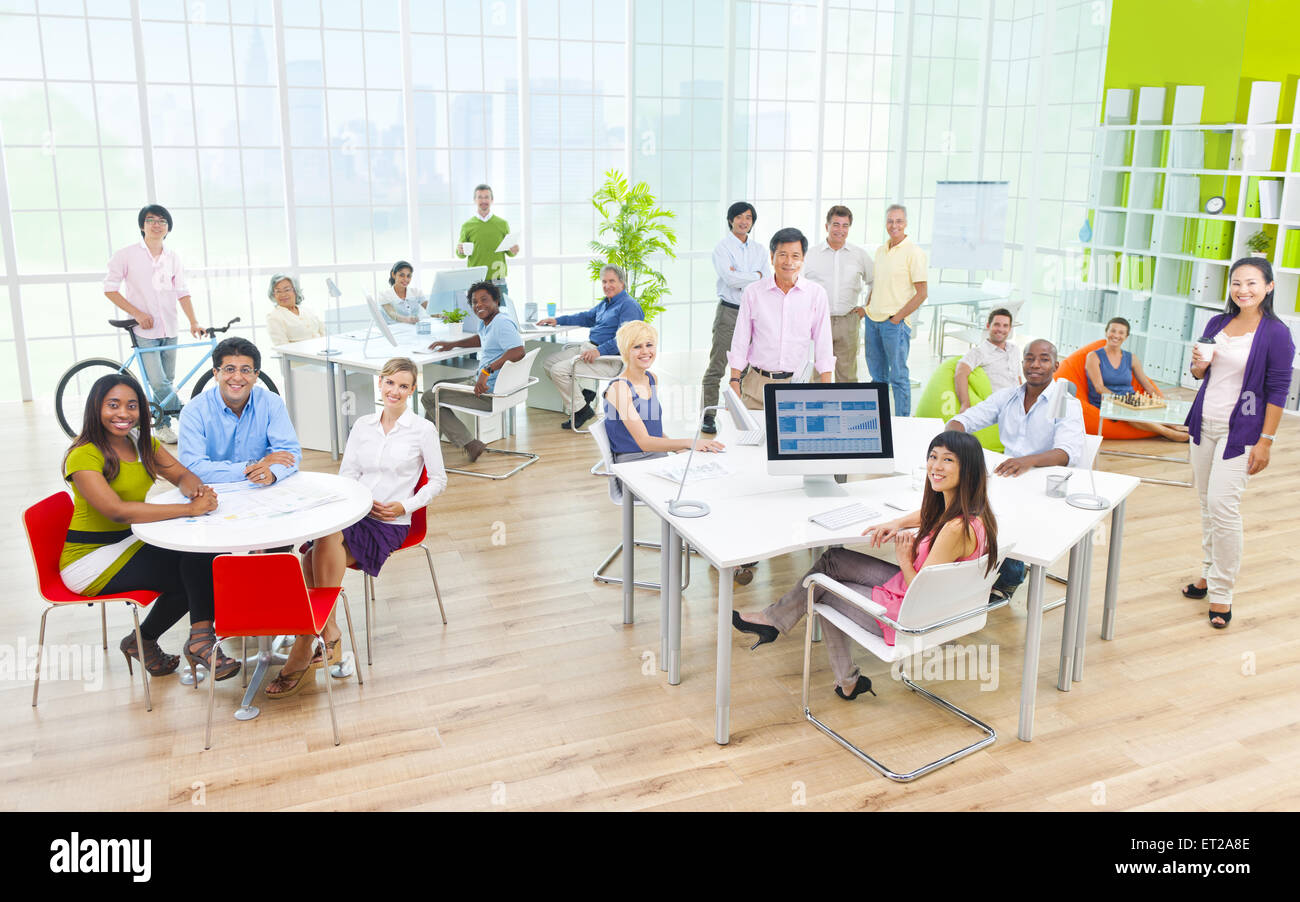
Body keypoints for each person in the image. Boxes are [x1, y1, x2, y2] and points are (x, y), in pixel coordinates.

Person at [732, 431, 997, 700]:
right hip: (911, 596)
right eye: (932, 457)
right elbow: (929, 515)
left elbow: (921, 591)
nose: (935, 466)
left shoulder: (955, 529)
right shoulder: (968, 513)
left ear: (968, 469)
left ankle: (840, 674)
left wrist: (904, 558)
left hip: (908, 616)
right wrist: (897, 523)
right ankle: (777, 624)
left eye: (948, 460)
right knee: (833, 560)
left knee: (822, 589)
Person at [268, 358, 448, 697]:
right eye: (390, 383)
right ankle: (327, 631)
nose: (395, 391)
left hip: (390, 521)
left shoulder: (422, 430)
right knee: (319, 544)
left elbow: (438, 481)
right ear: (380, 383)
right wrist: (344, 506)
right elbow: (348, 475)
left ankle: (313, 637)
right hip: (355, 512)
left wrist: (403, 506)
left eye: (404, 386)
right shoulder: (363, 425)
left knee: (318, 549)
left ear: (412, 390)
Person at [60, 373, 240, 681]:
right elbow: (116, 512)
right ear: (95, 408)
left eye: (132, 406)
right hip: (91, 560)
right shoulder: (83, 454)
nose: (123, 414)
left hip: (130, 543)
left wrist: (197, 492)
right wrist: (188, 509)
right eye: (113, 405)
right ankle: (198, 641)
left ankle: (149, 641)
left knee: (201, 558)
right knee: (197, 570)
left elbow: (184, 475)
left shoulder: (141, 442)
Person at [1182, 258, 1294, 630]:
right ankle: (1208, 572)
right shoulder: (1217, 323)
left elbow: (1278, 391)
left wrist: (1266, 441)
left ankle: (1222, 592)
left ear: (1269, 287)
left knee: (1222, 506)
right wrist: (1198, 364)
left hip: (1242, 431)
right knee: (1205, 503)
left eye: (1251, 283)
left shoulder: (1276, 333)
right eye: (1236, 283)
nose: (1243, 290)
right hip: (1205, 422)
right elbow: (1201, 373)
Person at [948, 338, 1085, 600]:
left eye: (1044, 359)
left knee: (991, 508)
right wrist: (953, 440)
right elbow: (964, 420)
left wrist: (1027, 461)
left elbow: (1067, 452)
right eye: (1029, 358)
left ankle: (1010, 575)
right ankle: (972, 569)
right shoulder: (1008, 397)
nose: (1035, 365)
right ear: (1021, 363)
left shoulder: (1064, 401)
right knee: (960, 496)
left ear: (1056, 365)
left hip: (1044, 482)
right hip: (1009, 476)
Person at [103, 204, 205, 444]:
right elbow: (110, 289)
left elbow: (182, 291)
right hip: (144, 329)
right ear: (142, 226)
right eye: (151, 220)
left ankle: (162, 424)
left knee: (167, 381)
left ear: (168, 228)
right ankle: (186, 419)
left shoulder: (173, 257)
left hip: (170, 326)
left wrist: (193, 321)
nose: (157, 224)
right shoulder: (126, 254)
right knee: (159, 382)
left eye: (162, 221)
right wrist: (137, 313)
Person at [727, 227, 835, 409]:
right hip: (757, 385)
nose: (788, 262)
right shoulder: (753, 292)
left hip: (797, 385)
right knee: (753, 437)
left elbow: (823, 344)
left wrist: (826, 387)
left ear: (803, 259)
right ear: (772, 257)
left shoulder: (816, 294)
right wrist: (734, 380)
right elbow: (741, 339)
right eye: (782, 254)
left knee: (794, 437)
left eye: (795, 256)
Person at [421, 281, 525, 462]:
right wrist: (452, 344)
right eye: (475, 302)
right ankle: (428, 447)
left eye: (484, 300)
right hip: (493, 386)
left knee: (429, 397)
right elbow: (481, 339)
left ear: (496, 300)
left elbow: (518, 351)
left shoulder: (502, 324)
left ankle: (470, 444)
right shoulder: (489, 323)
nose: (479, 305)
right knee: (437, 387)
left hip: (488, 393)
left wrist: (486, 371)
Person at [179, 337, 301, 486]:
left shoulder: (272, 403)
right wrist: (255, 465)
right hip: (214, 491)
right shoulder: (193, 411)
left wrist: (273, 474)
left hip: (262, 487)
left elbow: (289, 454)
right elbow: (193, 468)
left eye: (245, 370)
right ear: (216, 373)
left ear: (256, 375)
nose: (237, 377)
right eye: (229, 369)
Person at [537, 264, 643, 430]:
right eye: (604, 282)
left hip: (608, 359)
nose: (607, 286)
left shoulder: (629, 306)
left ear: (622, 283)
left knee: (558, 370)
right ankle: (583, 398)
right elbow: (585, 317)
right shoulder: (606, 304)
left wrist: (599, 351)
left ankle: (581, 410)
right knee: (548, 363)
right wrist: (558, 320)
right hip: (589, 349)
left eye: (612, 281)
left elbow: (625, 339)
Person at [603, 321, 724, 463]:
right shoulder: (619, 389)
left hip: (658, 456)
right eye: (637, 347)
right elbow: (644, 442)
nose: (645, 352)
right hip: (632, 462)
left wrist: (682, 451)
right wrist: (689, 442)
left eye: (649, 345)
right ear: (625, 351)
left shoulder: (651, 378)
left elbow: (653, 430)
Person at [700, 201, 769, 433]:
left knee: (749, 367)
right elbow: (730, 281)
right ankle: (707, 415)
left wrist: (744, 275)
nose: (743, 221)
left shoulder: (759, 249)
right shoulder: (722, 248)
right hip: (729, 312)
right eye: (739, 217)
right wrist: (755, 275)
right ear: (731, 220)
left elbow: (766, 279)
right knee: (717, 366)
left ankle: (740, 412)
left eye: (748, 217)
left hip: (754, 313)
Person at [864, 204, 928, 416]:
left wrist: (897, 318)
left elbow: (922, 293)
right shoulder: (881, 250)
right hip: (873, 321)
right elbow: (878, 283)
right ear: (886, 223)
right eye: (890, 221)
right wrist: (868, 307)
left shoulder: (914, 252)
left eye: (899, 221)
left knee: (898, 377)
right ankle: (878, 420)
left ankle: (903, 422)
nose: (894, 225)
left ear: (906, 223)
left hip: (895, 324)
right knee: (877, 377)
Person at [1084, 316, 1188, 441]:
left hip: (1131, 400)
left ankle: (1173, 425)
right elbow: (1099, 387)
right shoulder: (1093, 356)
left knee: (1140, 409)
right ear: (1106, 332)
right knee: (1128, 413)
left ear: (1126, 337)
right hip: (1107, 402)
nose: (1116, 335)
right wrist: (1122, 401)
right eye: (1113, 331)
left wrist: (1164, 404)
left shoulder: (1131, 358)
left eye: (1121, 333)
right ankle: (1168, 433)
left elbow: (1147, 385)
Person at [803, 205, 873, 385]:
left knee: (848, 375)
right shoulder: (811, 255)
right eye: (836, 224)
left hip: (847, 321)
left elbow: (875, 281)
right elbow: (799, 286)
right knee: (817, 375)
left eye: (845, 225)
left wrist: (866, 309)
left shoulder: (859, 255)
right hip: (818, 321)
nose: (840, 230)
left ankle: (847, 412)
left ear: (849, 228)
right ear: (827, 226)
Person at [955, 307, 1020, 413]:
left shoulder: (1014, 349)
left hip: (1018, 403)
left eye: (1005, 326)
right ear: (988, 326)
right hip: (1000, 407)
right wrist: (965, 404)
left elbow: (1018, 377)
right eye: (996, 324)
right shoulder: (979, 352)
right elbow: (960, 373)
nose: (1001, 329)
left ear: (1009, 329)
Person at [456, 184, 519, 290]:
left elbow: (509, 252)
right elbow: (461, 254)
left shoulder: (502, 224)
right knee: (477, 307)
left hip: (498, 277)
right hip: (476, 278)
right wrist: (460, 250)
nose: (483, 200)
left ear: (492, 200)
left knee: (502, 307)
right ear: (474, 200)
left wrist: (514, 250)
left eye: (486, 197)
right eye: (480, 197)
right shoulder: (467, 226)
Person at [265, 274, 325, 346]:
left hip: (322, 353)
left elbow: (324, 334)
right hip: (299, 356)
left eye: (287, 290)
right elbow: (283, 347)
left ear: (295, 291)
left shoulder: (307, 310)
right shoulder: (274, 317)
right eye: (278, 291)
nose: (283, 295)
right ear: (273, 294)